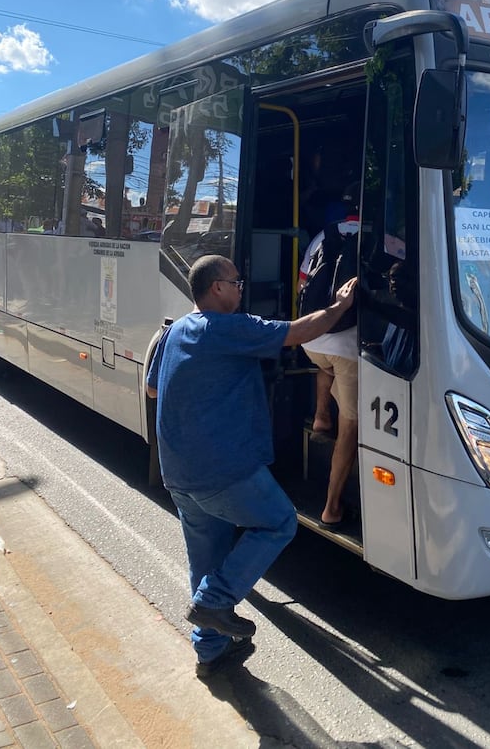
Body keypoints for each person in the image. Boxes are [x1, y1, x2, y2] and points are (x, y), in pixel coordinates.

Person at [145, 253, 356, 680]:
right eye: (236, 282)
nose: (242, 288)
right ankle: (215, 601)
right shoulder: (227, 327)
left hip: (179, 472)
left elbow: (152, 389)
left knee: (206, 557)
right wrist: (340, 306)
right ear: (216, 288)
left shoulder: (176, 330)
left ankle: (210, 651)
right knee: (278, 522)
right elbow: (299, 332)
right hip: (222, 469)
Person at [299, 183, 360, 528]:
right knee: (350, 426)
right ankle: (332, 506)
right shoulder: (384, 241)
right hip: (348, 349)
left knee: (326, 362)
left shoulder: (322, 237)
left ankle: (322, 415)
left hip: (313, 341)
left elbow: (301, 286)